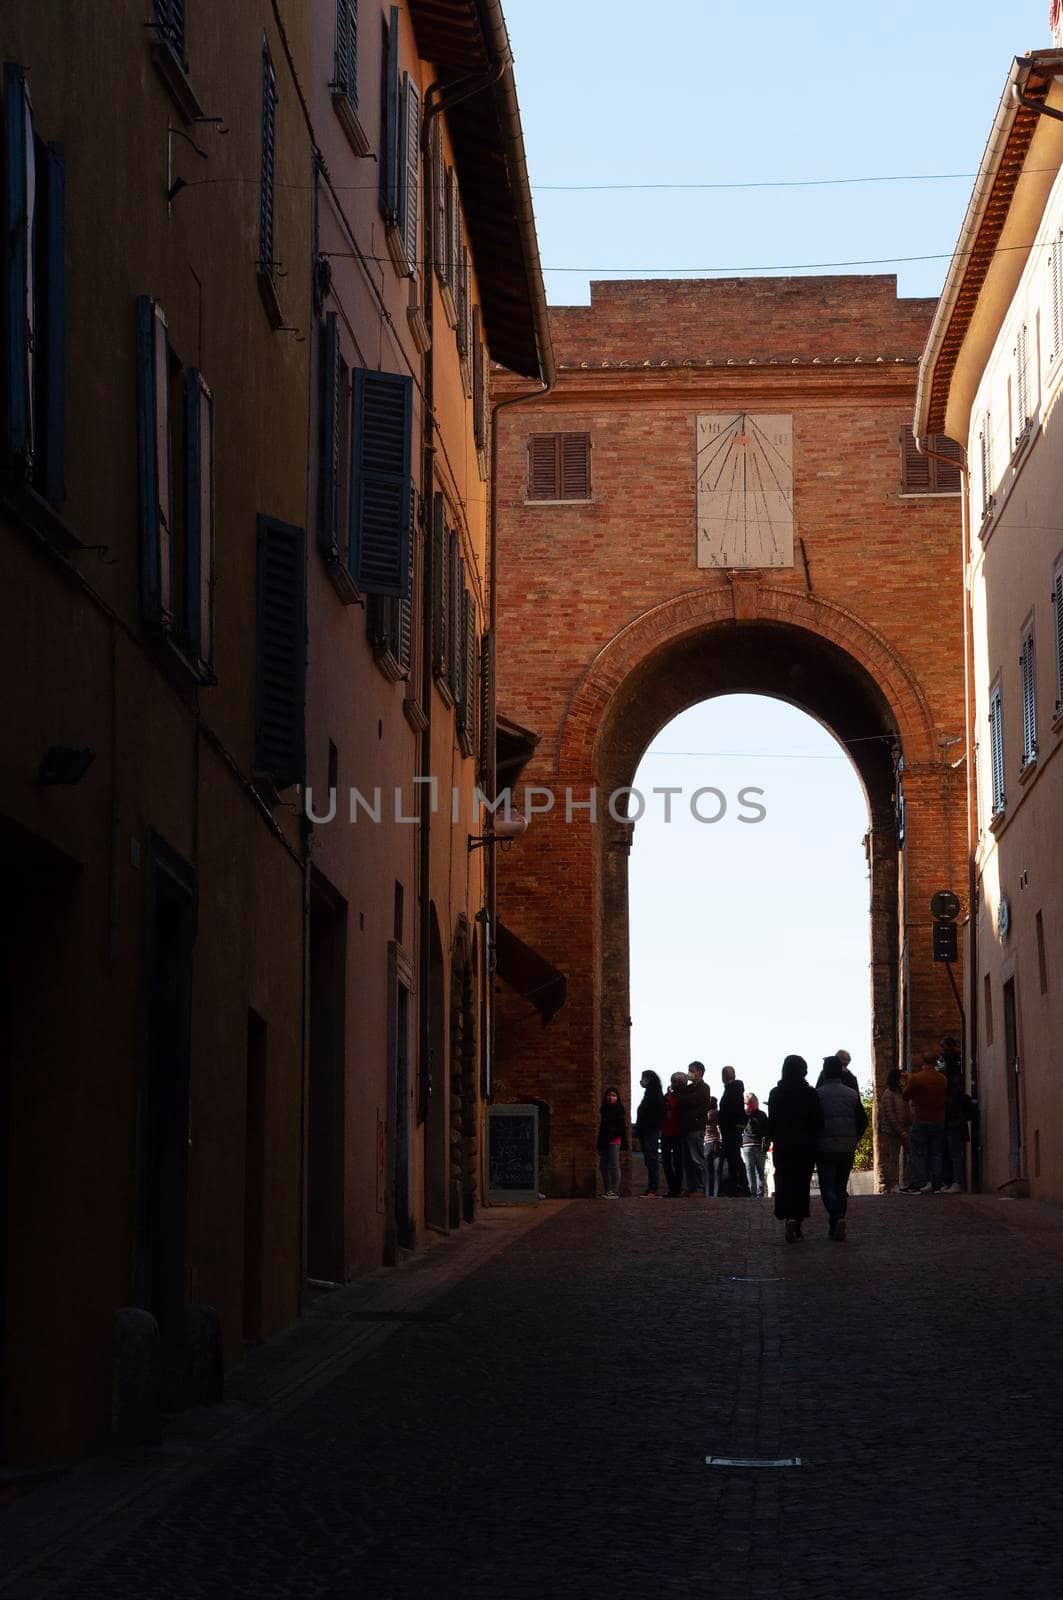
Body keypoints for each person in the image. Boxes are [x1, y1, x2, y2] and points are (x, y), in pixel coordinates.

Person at [767, 1055, 824, 1242]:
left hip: (783, 1145)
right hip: (805, 1145)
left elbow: (772, 1121)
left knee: (784, 1182)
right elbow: (817, 1121)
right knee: (801, 1184)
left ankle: (788, 1216)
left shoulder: (775, 1093)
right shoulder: (810, 1094)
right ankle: (797, 1221)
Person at [815, 1056, 868, 1241]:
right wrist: (855, 1138)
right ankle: (837, 1223)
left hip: (825, 1147)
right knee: (840, 1187)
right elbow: (863, 1120)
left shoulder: (818, 1095)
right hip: (847, 1147)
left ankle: (837, 1217)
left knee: (827, 1186)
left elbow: (814, 1122)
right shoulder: (852, 1094)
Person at [902, 1049, 948, 1193]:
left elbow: (906, 1095)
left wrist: (907, 1081)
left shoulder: (918, 1078)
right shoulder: (942, 1079)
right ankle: (936, 1184)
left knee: (918, 1152)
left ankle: (918, 1183)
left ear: (924, 1062)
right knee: (936, 1153)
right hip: (939, 1118)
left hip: (922, 1118)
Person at [678, 1061, 710, 1195]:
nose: (689, 1073)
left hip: (696, 1128)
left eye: (692, 1070)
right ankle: (692, 1188)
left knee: (697, 1159)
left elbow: (693, 1100)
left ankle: (701, 1188)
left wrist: (683, 1098)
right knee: (688, 1161)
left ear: (699, 1072)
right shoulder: (688, 1088)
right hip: (686, 1128)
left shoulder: (704, 1087)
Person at [876, 1068, 910, 1193]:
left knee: (910, 1155)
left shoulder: (901, 1092)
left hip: (904, 1129)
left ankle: (907, 1182)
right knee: (893, 1158)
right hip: (893, 1131)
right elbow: (890, 1115)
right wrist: (900, 1130)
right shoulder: (888, 1094)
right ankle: (894, 1185)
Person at [941, 1057, 971, 1193]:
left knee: (954, 1154)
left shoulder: (953, 1089)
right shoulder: (955, 1086)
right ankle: (951, 1181)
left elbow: (953, 1105)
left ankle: (957, 1181)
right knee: (950, 1153)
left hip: (953, 1122)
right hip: (951, 1122)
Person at [634, 1069, 666, 1197]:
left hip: (650, 1130)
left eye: (644, 1078)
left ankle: (653, 1188)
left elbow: (657, 1113)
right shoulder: (651, 1093)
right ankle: (651, 1188)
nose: (642, 1081)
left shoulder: (653, 1094)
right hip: (648, 1130)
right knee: (649, 1159)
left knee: (651, 1159)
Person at [718, 1065, 749, 1195]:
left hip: (731, 1128)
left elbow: (732, 1109)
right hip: (731, 1127)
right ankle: (738, 1184)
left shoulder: (732, 1090)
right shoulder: (733, 1089)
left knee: (734, 1156)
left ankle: (740, 1184)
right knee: (733, 1156)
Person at [596, 1086, 628, 1197]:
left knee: (614, 1165)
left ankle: (614, 1191)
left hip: (614, 1140)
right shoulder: (604, 1110)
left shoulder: (619, 1110)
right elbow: (602, 1129)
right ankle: (608, 1190)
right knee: (603, 1166)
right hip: (604, 1141)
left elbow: (621, 1129)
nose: (611, 1097)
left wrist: (611, 1134)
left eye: (614, 1095)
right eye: (609, 1095)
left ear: (617, 1098)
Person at [660, 1072, 687, 1197]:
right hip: (666, 1132)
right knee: (666, 1161)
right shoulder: (667, 1096)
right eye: (673, 1081)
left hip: (678, 1133)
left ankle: (676, 1188)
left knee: (678, 1162)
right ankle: (672, 1187)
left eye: (676, 1081)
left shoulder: (685, 1096)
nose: (674, 1084)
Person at [741, 1093, 770, 1197]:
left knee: (749, 1170)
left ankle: (752, 1193)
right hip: (759, 1145)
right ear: (756, 1102)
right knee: (760, 1171)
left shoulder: (744, 1114)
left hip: (747, 1144)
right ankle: (760, 1193)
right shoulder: (762, 1115)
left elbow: (740, 1127)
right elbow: (767, 1130)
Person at [704, 1096, 723, 1196]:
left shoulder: (704, 1115)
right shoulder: (718, 1114)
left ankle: (707, 1193)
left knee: (707, 1172)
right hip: (717, 1143)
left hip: (707, 1144)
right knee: (717, 1172)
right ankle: (716, 1194)